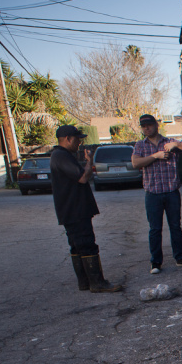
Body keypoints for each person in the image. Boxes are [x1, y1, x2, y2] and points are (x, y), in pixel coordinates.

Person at [50, 125, 123, 293]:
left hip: (70, 209)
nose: (79, 143)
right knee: (86, 244)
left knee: (77, 245)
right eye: (77, 139)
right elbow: (83, 178)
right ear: (68, 138)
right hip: (75, 210)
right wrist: (89, 161)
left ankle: (85, 282)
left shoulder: (61, 155)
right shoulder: (61, 155)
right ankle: (97, 283)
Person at [131, 114, 182, 274]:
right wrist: (156, 156)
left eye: (149, 124)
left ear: (156, 125)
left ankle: (180, 258)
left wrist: (176, 144)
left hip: (171, 191)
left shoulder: (169, 142)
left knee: (175, 226)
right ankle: (155, 262)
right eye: (143, 126)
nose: (146, 128)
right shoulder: (140, 145)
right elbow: (135, 163)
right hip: (152, 193)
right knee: (154, 228)